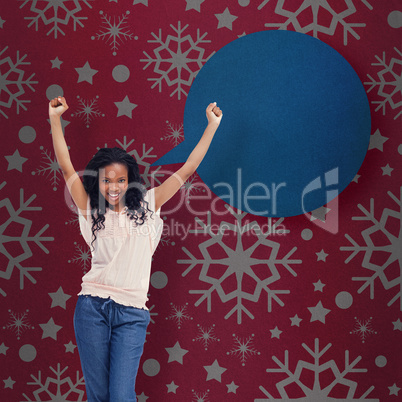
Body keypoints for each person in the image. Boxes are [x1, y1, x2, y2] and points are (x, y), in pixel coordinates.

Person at [49, 96, 222, 401]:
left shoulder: (148, 204)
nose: (113, 186)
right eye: (107, 180)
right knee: (99, 396)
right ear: (97, 181)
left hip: (132, 313)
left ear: (130, 182)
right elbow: (66, 168)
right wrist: (55, 118)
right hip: (92, 309)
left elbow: (187, 169)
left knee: (121, 395)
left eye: (121, 180)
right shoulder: (90, 208)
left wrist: (212, 126)